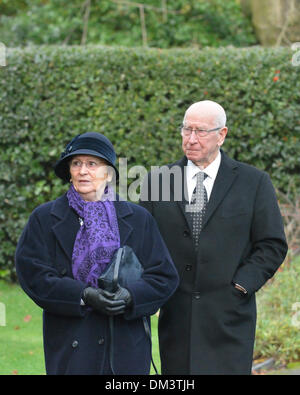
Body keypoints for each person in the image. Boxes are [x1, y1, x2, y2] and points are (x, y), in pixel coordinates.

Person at [140, 100, 288, 375]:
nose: (191, 139)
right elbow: (142, 243)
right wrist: (154, 289)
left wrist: (242, 285)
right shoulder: (158, 180)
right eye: (186, 130)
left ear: (222, 135)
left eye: (201, 131)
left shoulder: (253, 182)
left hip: (230, 318)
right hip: (176, 318)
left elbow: (272, 244)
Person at [15, 132, 179, 375]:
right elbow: (34, 275)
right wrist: (83, 294)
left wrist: (131, 297)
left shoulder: (139, 218)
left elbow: (164, 277)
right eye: (76, 163)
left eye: (92, 164)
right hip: (71, 346)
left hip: (125, 348)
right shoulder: (44, 218)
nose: (83, 171)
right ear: (69, 171)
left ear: (108, 173)